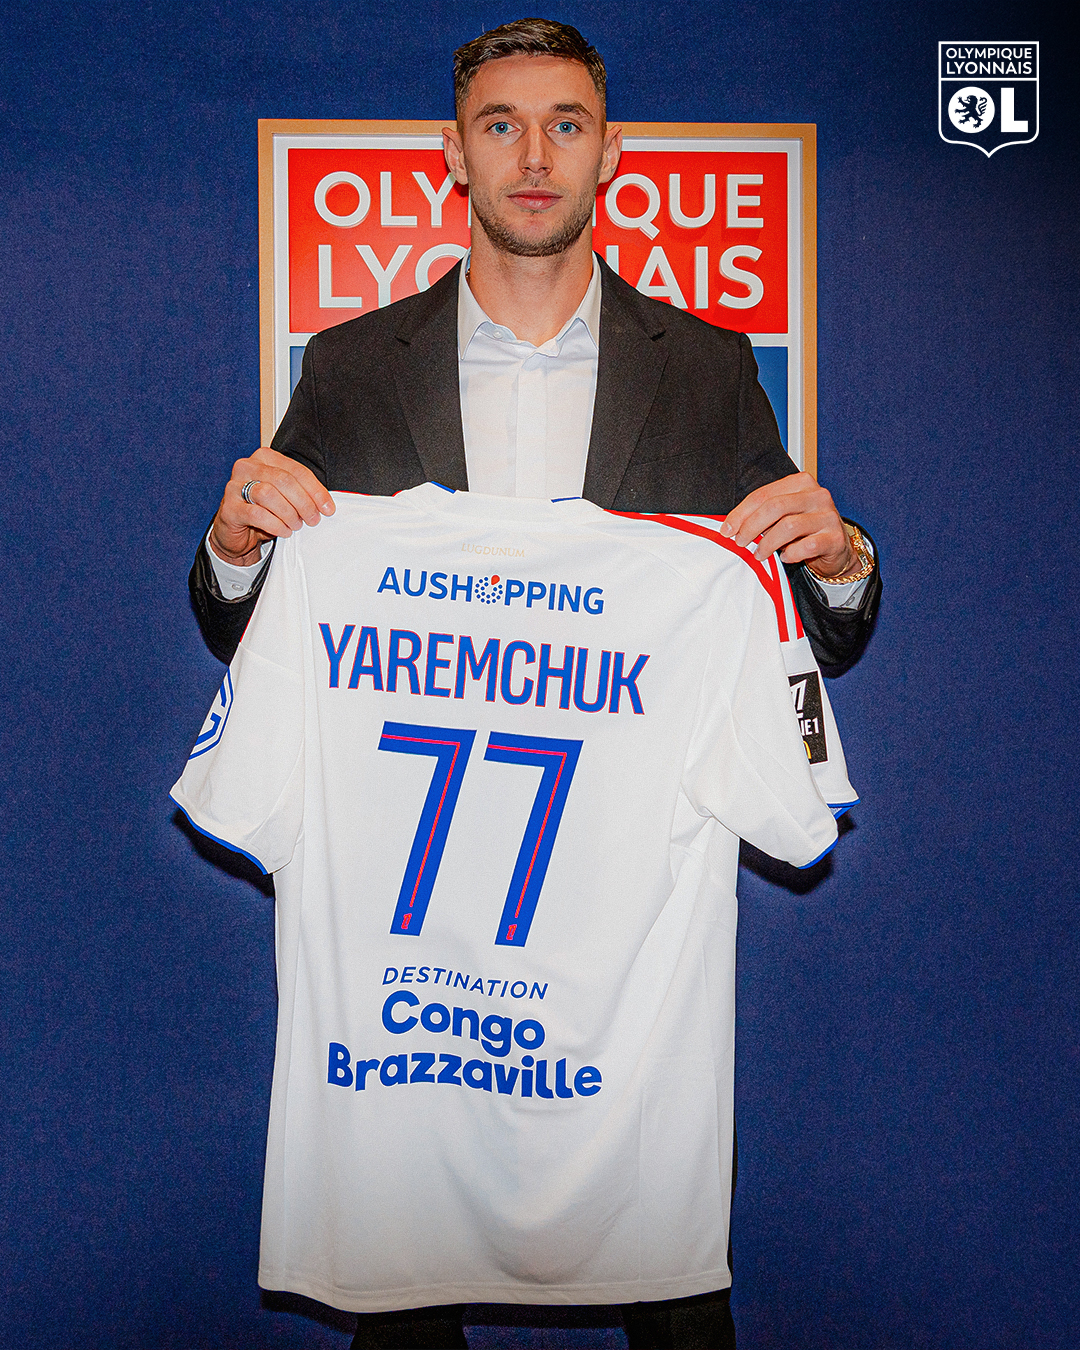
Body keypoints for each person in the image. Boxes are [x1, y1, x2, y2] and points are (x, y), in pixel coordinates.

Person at [186, 18, 880, 1347]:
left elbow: (807, 630)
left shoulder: (708, 367)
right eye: (500, 126)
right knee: (403, 1291)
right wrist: (233, 548)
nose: (535, 155)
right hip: (411, 927)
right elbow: (255, 627)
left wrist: (840, 559)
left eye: (566, 124)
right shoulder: (350, 365)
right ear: (454, 156)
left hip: (626, 918)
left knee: (670, 1285)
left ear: (611, 152)